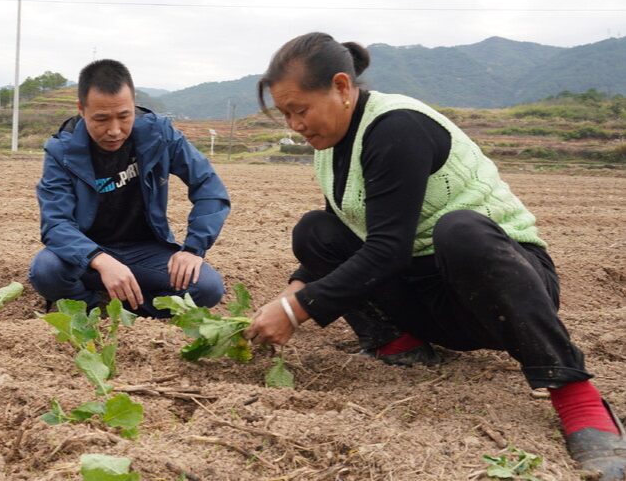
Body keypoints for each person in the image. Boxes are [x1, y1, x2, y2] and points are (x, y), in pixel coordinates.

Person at [242, 32, 625, 480]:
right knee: (315, 232)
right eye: (285, 114)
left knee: (459, 229)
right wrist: (297, 285)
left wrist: (295, 310)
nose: (294, 125)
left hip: (503, 290)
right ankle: (400, 344)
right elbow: (347, 231)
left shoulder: (396, 127)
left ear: (342, 88)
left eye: (300, 110)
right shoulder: (330, 148)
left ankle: (577, 397)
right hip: (430, 298)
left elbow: (387, 249)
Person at [29, 59, 229, 317]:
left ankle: (129, 310)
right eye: (101, 119)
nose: (114, 130)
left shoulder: (160, 135)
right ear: (82, 109)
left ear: (133, 102)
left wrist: (193, 248)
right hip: (87, 253)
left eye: (124, 116)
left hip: (145, 250)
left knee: (207, 288)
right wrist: (101, 261)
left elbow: (209, 188)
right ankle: (89, 307)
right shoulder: (62, 151)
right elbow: (56, 224)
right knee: (46, 270)